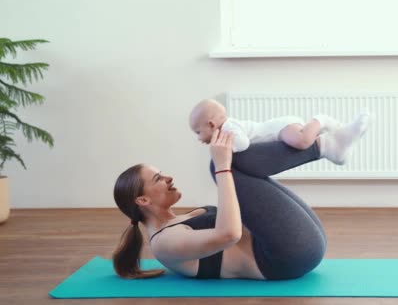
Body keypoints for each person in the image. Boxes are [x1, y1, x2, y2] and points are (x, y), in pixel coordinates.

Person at [112, 118, 369, 280]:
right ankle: (324, 146)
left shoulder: (182, 220)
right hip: (285, 258)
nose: (168, 177)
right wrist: (222, 166)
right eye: (158, 178)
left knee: (231, 160)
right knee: (220, 165)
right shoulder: (164, 242)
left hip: (297, 245)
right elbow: (229, 234)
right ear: (142, 201)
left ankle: (325, 146)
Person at [189, 99, 369, 165]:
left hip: (279, 128)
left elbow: (243, 143)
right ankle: (332, 145)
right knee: (302, 141)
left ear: (212, 124)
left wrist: (227, 149)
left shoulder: (228, 127)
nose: (198, 138)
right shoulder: (226, 129)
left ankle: (322, 120)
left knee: (302, 142)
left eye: (198, 131)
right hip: (277, 132)